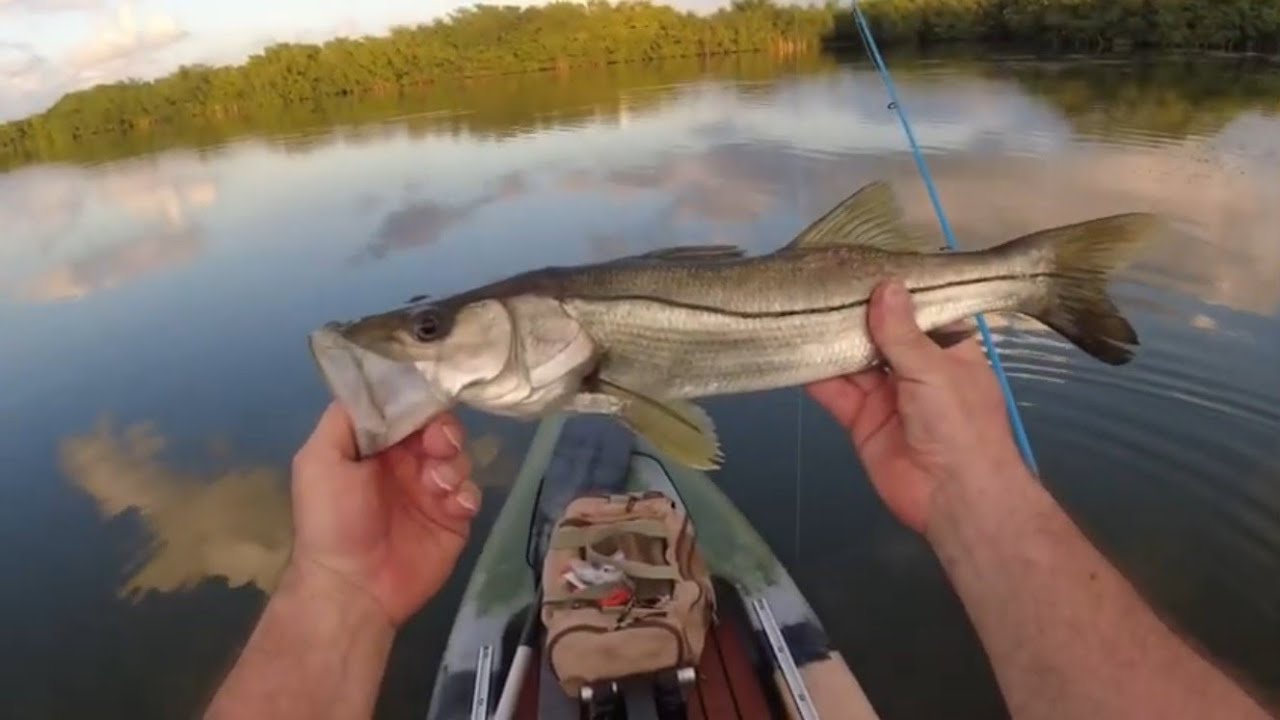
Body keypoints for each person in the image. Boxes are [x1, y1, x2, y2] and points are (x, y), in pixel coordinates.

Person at [206, 281, 1274, 720]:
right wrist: (978, 497)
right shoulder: (565, 366)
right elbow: (672, 431)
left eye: (434, 327)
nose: (419, 342)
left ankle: (1030, 275)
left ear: (532, 319)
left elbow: (667, 426)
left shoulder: (578, 352)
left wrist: (335, 594)